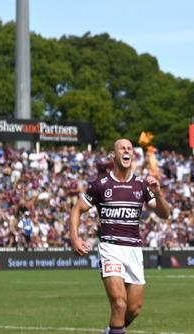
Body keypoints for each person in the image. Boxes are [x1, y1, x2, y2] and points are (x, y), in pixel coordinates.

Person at [70, 138, 170, 334]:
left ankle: (111, 331)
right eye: (122, 148)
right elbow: (76, 210)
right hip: (110, 247)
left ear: (133, 155)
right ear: (113, 155)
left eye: (129, 148)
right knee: (119, 303)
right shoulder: (100, 185)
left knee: (134, 309)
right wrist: (75, 237)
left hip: (134, 250)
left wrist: (159, 193)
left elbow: (164, 213)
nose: (126, 150)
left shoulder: (141, 185)